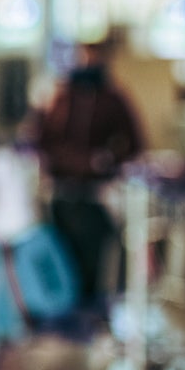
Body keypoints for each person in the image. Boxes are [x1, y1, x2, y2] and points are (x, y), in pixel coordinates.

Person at [34, 39, 143, 305]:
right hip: (63, 193)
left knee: (95, 259)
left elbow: (134, 142)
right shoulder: (61, 97)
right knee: (66, 257)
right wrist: (74, 162)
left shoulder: (112, 98)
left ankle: (91, 312)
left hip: (96, 195)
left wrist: (105, 161)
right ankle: (69, 312)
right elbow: (44, 141)